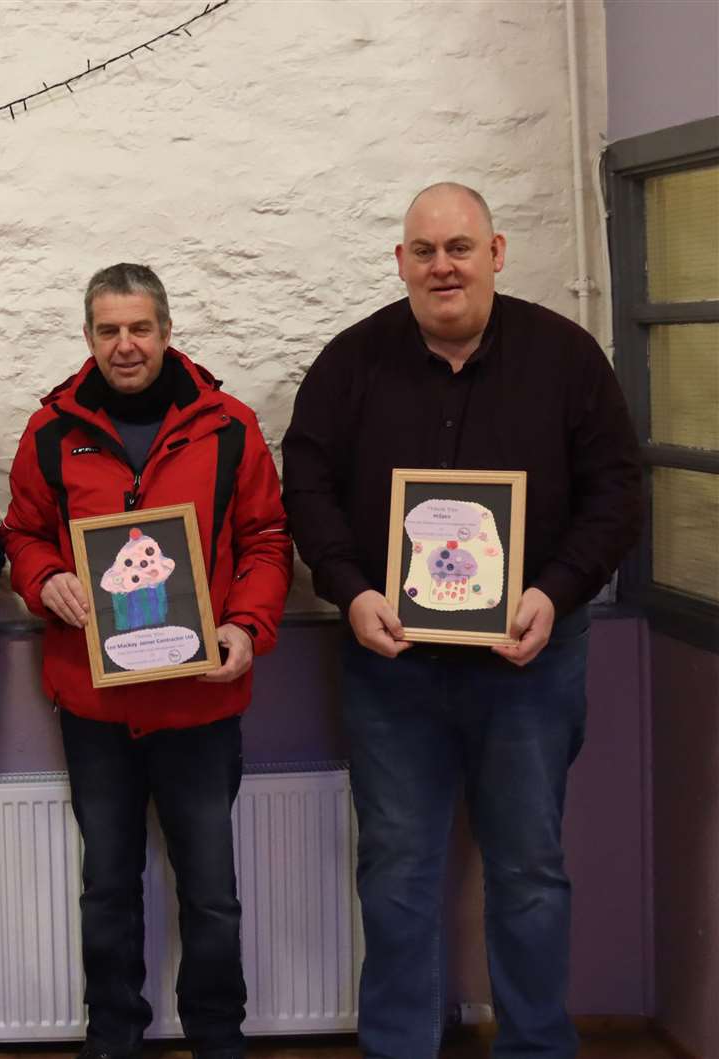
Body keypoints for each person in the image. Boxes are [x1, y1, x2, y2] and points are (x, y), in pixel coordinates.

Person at [281, 182, 642, 1058]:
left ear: (497, 251)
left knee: (528, 874)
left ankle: (537, 1046)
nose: (443, 265)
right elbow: (308, 483)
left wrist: (554, 591)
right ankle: (400, 1046)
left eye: (460, 247)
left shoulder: (566, 357)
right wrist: (350, 588)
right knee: (396, 874)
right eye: (424, 250)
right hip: (392, 661)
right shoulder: (351, 362)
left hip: (530, 662)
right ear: (400, 262)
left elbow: (617, 491)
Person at [0, 264, 291, 1059]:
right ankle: (113, 1037)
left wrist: (246, 626)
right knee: (107, 889)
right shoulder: (51, 432)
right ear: (88, 336)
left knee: (211, 894)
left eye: (139, 329)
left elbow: (267, 540)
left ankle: (219, 1039)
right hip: (96, 706)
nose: (124, 346)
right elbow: (21, 534)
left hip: (201, 702)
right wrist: (45, 577)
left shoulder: (227, 426)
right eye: (107, 331)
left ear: (166, 331)